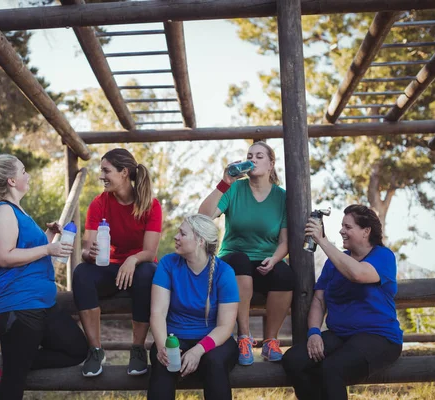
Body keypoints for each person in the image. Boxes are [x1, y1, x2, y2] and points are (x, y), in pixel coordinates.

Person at [0, 154, 88, 400]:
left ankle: (12, 362)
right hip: (18, 307)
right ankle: (14, 365)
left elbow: (27, 255)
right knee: (13, 387)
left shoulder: (19, 212)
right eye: (23, 171)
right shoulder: (3, 212)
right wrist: (47, 248)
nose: (28, 175)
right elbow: (5, 256)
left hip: (42, 305)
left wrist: (47, 236)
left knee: (77, 349)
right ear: (12, 181)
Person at [282, 204, 403, 400]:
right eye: (341, 226)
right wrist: (314, 333)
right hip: (341, 335)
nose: (341, 231)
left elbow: (357, 274)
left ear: (366, 231)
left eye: (348, 227)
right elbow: (319, 300)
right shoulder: (333, 263)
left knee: (332, 369)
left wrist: (322, 241)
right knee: (294, 360)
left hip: (380, 337)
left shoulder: (383, 256)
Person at [199, 141, 293, 365]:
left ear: (271, 164)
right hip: (234, 261)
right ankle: (244, 338)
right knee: (239, 261)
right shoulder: (234, 189)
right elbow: (203, 217)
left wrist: (275, 259)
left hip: (266, 262)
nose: (253, 159)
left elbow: (284, 241)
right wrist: (224, 182)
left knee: (285, 274)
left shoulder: (282, 197)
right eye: (250, 155)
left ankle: (271, 342)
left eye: (260, 156)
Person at [72, 148, 162, 377]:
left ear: (123, 172)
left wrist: (132, 259)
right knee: (82, 273)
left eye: (106, 170)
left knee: (147, 273)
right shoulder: (99, 203)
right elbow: (86, 247)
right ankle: (95, 350)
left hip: (139, 268)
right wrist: (88, 254)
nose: (101, 176)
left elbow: (150, 252)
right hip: (109, 268)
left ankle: (138, 349)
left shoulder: (151, 205)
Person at [148, 214, 239, 400]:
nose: (176, 237)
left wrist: (198, 350)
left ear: (200, 241)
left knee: (214, 361)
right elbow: (157, 313)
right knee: (162, 362)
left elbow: (225, 327)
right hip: (174, 338)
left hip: (214, 341)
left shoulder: (225, 272)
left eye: (182, 233)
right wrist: (162, 346)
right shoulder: (168, 264)